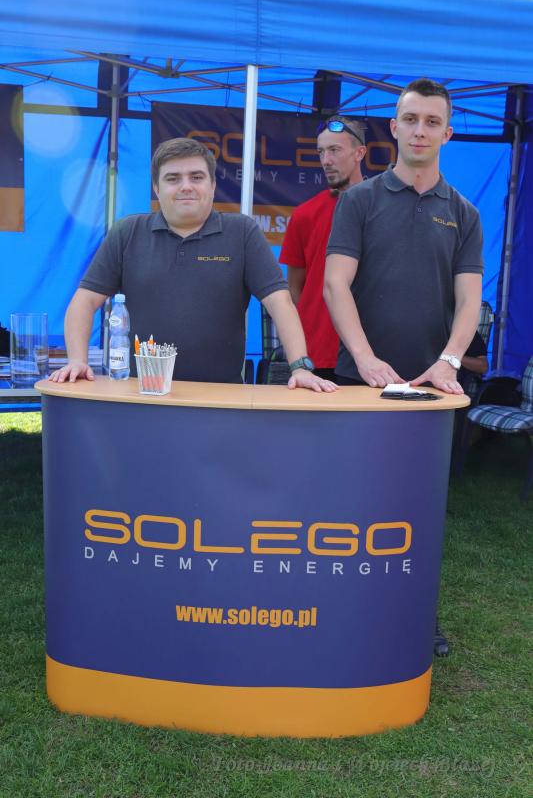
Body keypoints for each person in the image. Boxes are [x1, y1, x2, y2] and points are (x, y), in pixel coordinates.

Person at [324, 78, 484, 656]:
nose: (420, 130)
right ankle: (341, 613)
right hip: (358, 381)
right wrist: (366, 359)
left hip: (430, 390)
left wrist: (447, 361)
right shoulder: (359, 201)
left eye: (431, 121)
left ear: (447, 133)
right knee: (350, 505)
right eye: (410, 119)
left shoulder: (464, 213)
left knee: (417, 512)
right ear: (393, 128)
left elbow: (470, 301)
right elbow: (335, 284)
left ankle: (415, 618)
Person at [50, 138, 337, 394]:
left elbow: (280, 302)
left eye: (196, 177)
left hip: (220, 399)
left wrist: (300, 367)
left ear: (212, 185)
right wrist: (77, 360)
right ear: (156, 188)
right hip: (141, 394)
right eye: (173, 178)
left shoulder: (242, 232)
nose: (186, 186)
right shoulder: (127, 232)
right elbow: (84, 301)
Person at [280, 116, 366, 381]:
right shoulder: (304, 215)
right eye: (321, 152)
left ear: (359, 153)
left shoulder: (384, 210)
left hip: (373, 354)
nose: (326, 160)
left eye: (335, 150)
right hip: (316, 354)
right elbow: (295, 289)